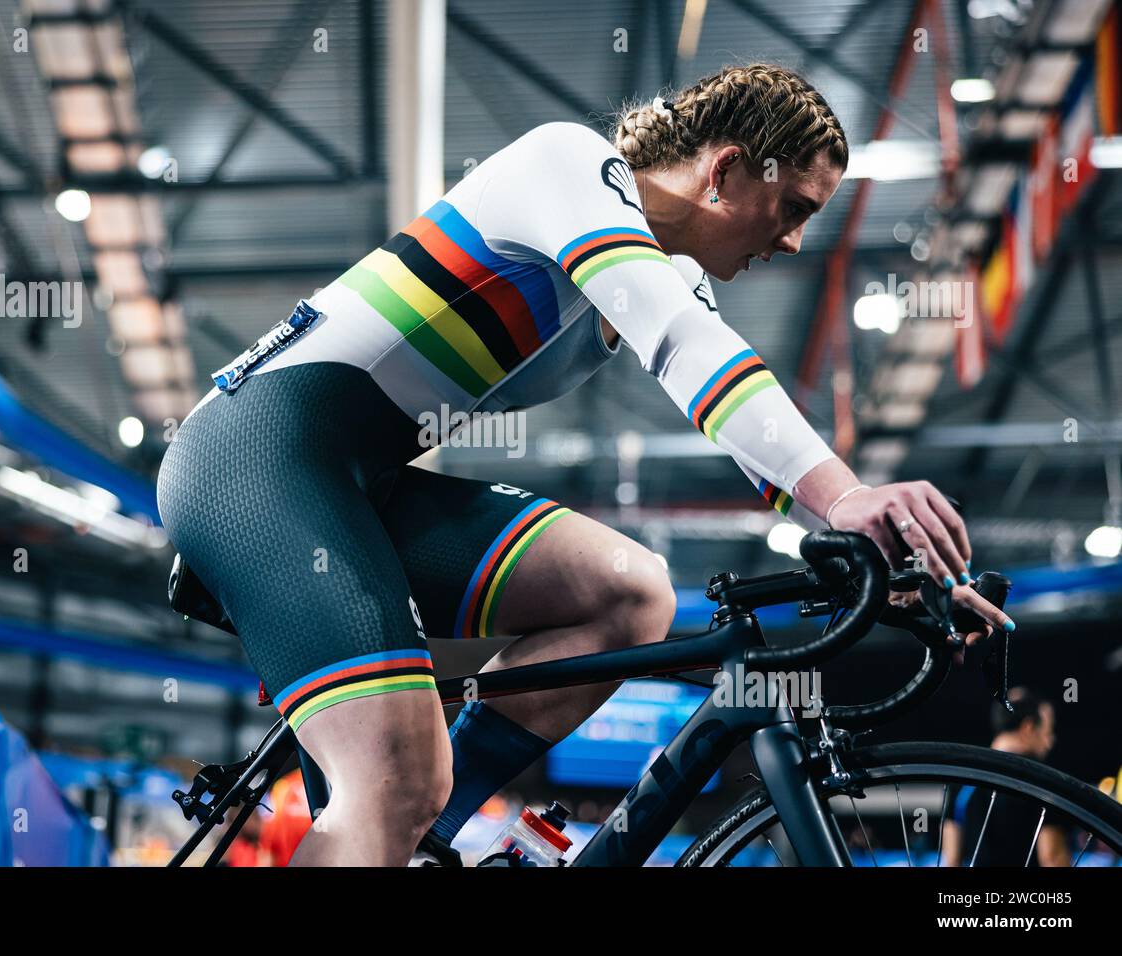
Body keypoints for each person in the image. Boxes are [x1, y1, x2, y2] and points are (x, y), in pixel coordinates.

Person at [156, 63, 1015, 866]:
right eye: (793, 206)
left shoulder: (667, 272)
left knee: (631, 594)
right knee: (395, 775)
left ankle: (422, 835)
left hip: (356, 487)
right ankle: (403, 800)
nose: (793, 242)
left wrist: (885, 562)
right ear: (724, 171)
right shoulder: (570, 164)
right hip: (251, 460)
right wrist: (852, 495)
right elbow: (686, 346)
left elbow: (746, 439)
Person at [941, 688, 1073, 867]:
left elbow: (951, 859)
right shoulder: (1044, 781)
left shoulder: (964, 777)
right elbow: (1052, 858)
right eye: (1047, 730)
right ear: (1028, 727)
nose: (1050, 741)